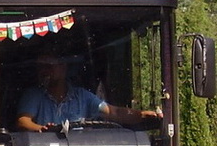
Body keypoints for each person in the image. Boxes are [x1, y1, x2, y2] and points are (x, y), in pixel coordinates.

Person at [17, 53, 160, 131]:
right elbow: (23, 121)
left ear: (63, 67)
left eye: (49, 66)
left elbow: (112, 112)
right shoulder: (34, 94)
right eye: (41, 67)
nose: (44, 71)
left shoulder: (82, 96)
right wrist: (40, 129)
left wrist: (141, 115)